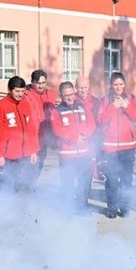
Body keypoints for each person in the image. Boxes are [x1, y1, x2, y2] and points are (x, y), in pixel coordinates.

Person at [96, 72, 136, 218]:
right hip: (110, 147)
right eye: (115, 84)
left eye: (121, 84)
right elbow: (101, 120)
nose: (118, 87)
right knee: (112, 178)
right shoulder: (105, 100)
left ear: (124, 84)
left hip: (128, 146)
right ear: (111, 85)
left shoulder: (130, 98)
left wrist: (127, 106)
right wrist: (113, 107)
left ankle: (125, 207)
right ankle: (112, 208)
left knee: (127, 179)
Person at [51, 81, 96, 214]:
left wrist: (84, 136)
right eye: (66, 96)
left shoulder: (82, 107)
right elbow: (57, 130)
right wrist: (73, 138)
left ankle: (82, 207)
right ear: (61, 96)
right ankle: (68, 209)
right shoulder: (56, 111)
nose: (70, 98)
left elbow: (91, 124)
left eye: (71, 94)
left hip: (84, 153)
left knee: (85, 182)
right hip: (67, 155)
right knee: (67, 183)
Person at [0, 76, 39, 193]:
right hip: (7, 156)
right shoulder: (0, 106)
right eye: (17, 91)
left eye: (22, 91)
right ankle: (4, 209)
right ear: (9, 90)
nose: (20, 94)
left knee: (22, 185)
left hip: (24, 155)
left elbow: (31, 129)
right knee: (5, 185)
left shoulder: (25, 104)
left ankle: (19, 209)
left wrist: (33, 151)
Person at [23, 69, 57, 176]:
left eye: (43, 83)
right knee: (30, 165)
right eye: (38, 83)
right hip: (32, 136)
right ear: (32, 82)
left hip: (45, 136)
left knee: (39, 164)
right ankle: (24, 189)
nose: (41, 86)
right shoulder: (26, 95)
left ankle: (32, 188)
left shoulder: (50, 94)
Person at [75, 76, 104, 182]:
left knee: (92, 161)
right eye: (80, 88)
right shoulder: (72, 101)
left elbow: (99, 120)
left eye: (85, 87)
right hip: (78, 139)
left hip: (93, 137)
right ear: (76, 87)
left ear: (89, 87)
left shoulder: (96, 102)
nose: (83, 90)